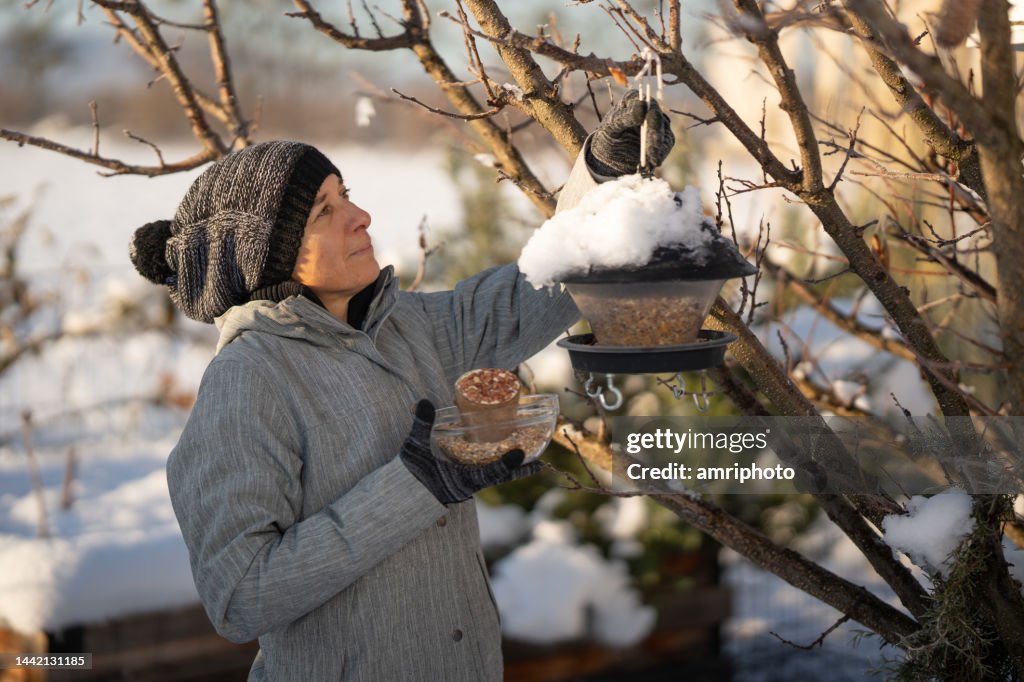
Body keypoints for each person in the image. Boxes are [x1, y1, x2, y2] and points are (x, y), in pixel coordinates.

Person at [128, 90, 673, 681]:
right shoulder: (247, 382)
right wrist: (422, 482)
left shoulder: (405, 326)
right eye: (323, 212)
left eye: (347, 196)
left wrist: (604, 176)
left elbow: (535, 291)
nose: (360, 217)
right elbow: (239, 598)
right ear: (267, 259)